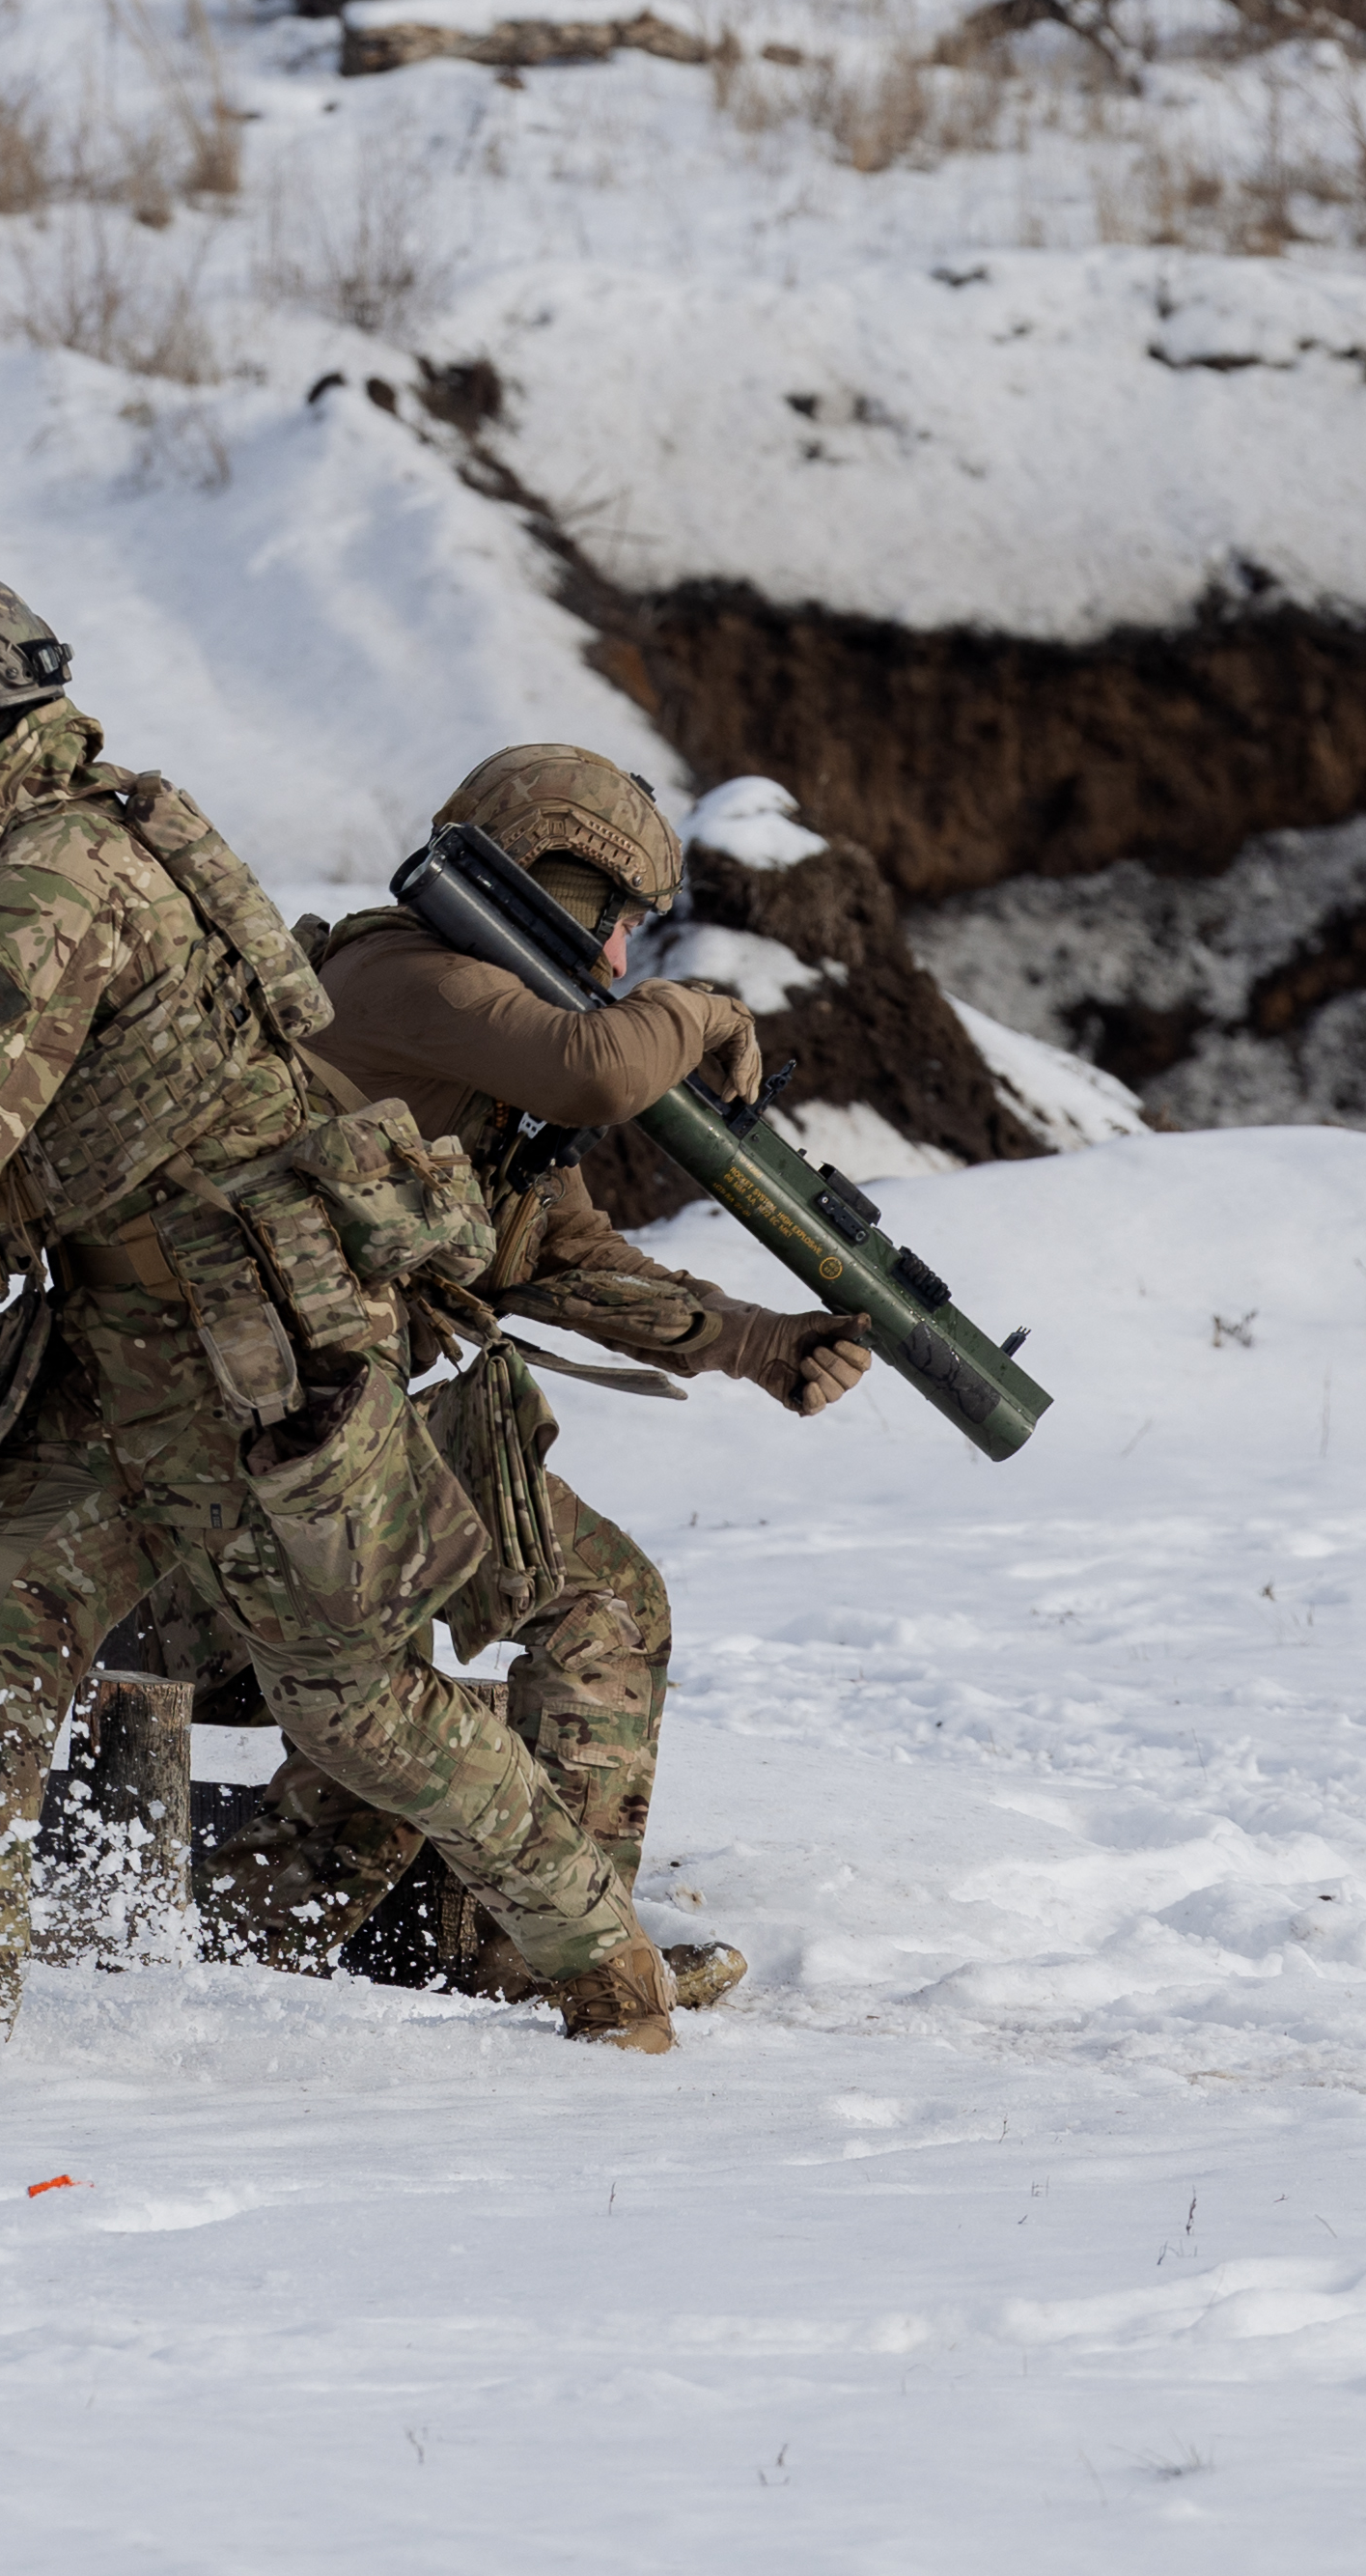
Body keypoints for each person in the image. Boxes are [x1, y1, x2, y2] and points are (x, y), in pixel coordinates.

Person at [0, 571, 683, 2057]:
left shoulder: (50, 872)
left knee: (361, 1710)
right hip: (120, 1343)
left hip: (259, 1352)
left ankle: (607, 1972)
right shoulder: (24, 841)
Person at [172, 743, 873, 2005]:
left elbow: (570, 1258)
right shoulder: (396, 977)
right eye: (615, 927)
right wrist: (705, 1010)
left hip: (322, 1456)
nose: (617, 964)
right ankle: (552, 1954)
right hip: (243, 1468)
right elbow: (602, 1067)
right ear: (553, 880)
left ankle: (250, 1940)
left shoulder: (482, 1050)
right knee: (598, 1610)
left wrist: (765, 1344)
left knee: (410, 1709)